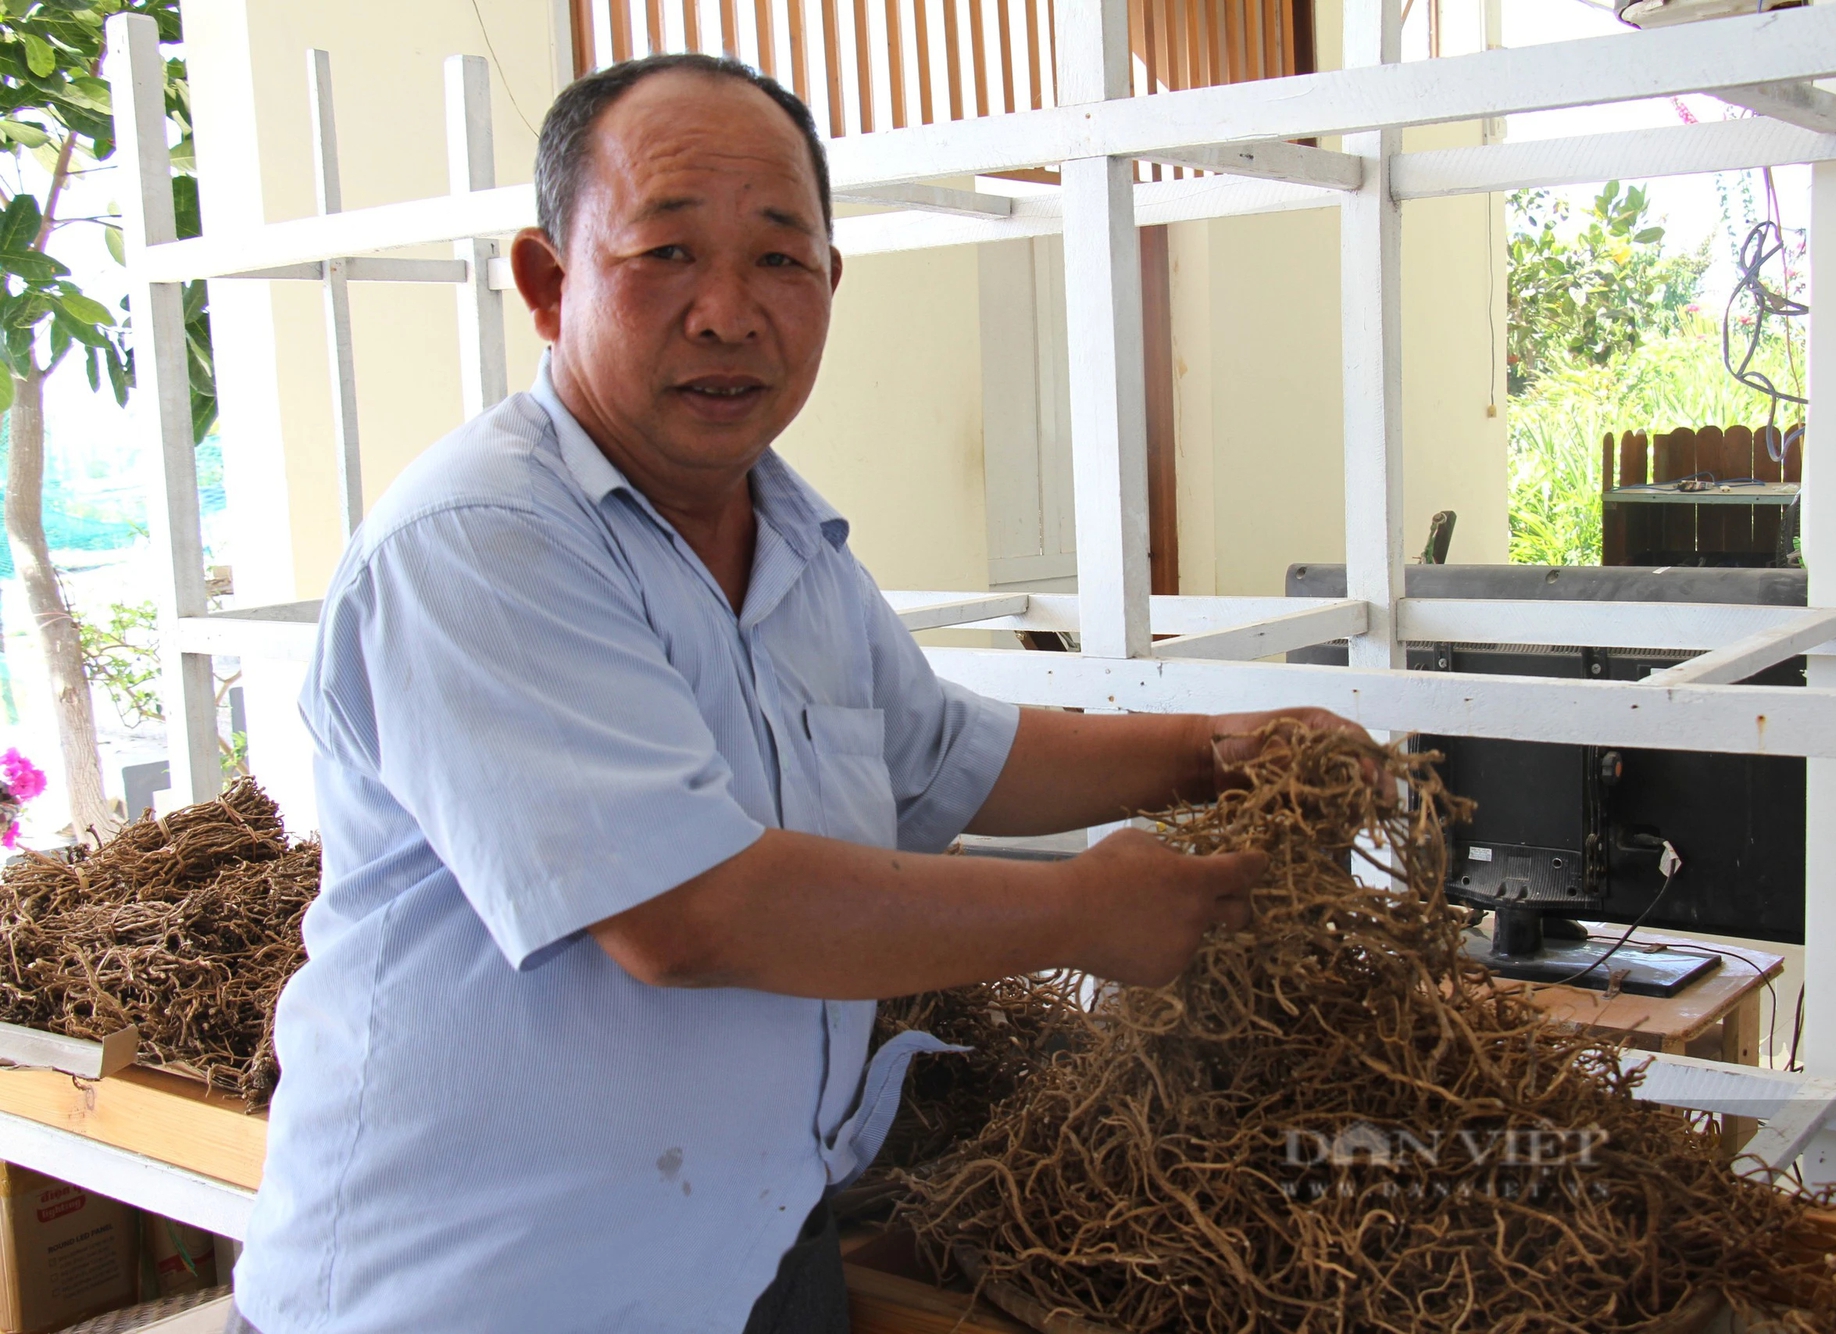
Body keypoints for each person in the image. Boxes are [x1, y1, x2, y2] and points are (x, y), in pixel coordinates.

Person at [227, 52, 1358, 1334]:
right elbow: (690, 912)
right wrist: (1086, 913)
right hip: (486, 1289)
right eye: (664, 254)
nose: (726, 311)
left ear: (829, 282)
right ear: (547, 285)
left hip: (750, 1254)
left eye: (777, 258)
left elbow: (941, 756)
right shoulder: (482, 538)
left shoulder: (791, 539)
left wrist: (1210, 750)